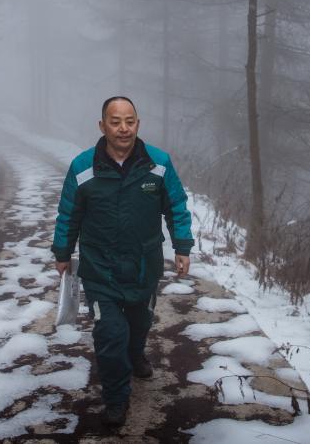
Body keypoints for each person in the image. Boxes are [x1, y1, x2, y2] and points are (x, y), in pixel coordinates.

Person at [51, 96, 194, 427]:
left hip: (144, 266)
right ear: (102, 126)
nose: (123, 128)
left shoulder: (158, 163)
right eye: (115, 122)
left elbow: (176, 205)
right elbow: (68, 213)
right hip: (100, 269)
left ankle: (135, 353)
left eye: (129, 121)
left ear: (138, 124)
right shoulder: (83, 167)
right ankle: (116, 398)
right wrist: (62, 252)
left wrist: (182, 245)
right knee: (111, 333)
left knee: (140, 321)